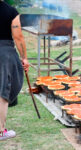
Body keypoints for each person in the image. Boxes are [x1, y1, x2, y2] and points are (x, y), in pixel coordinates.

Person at [0, 0, 29, 140]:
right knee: (2, 91)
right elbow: (18, 36)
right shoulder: (11, 11)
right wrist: (24, 58)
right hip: (4, 54)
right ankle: (0, 131)